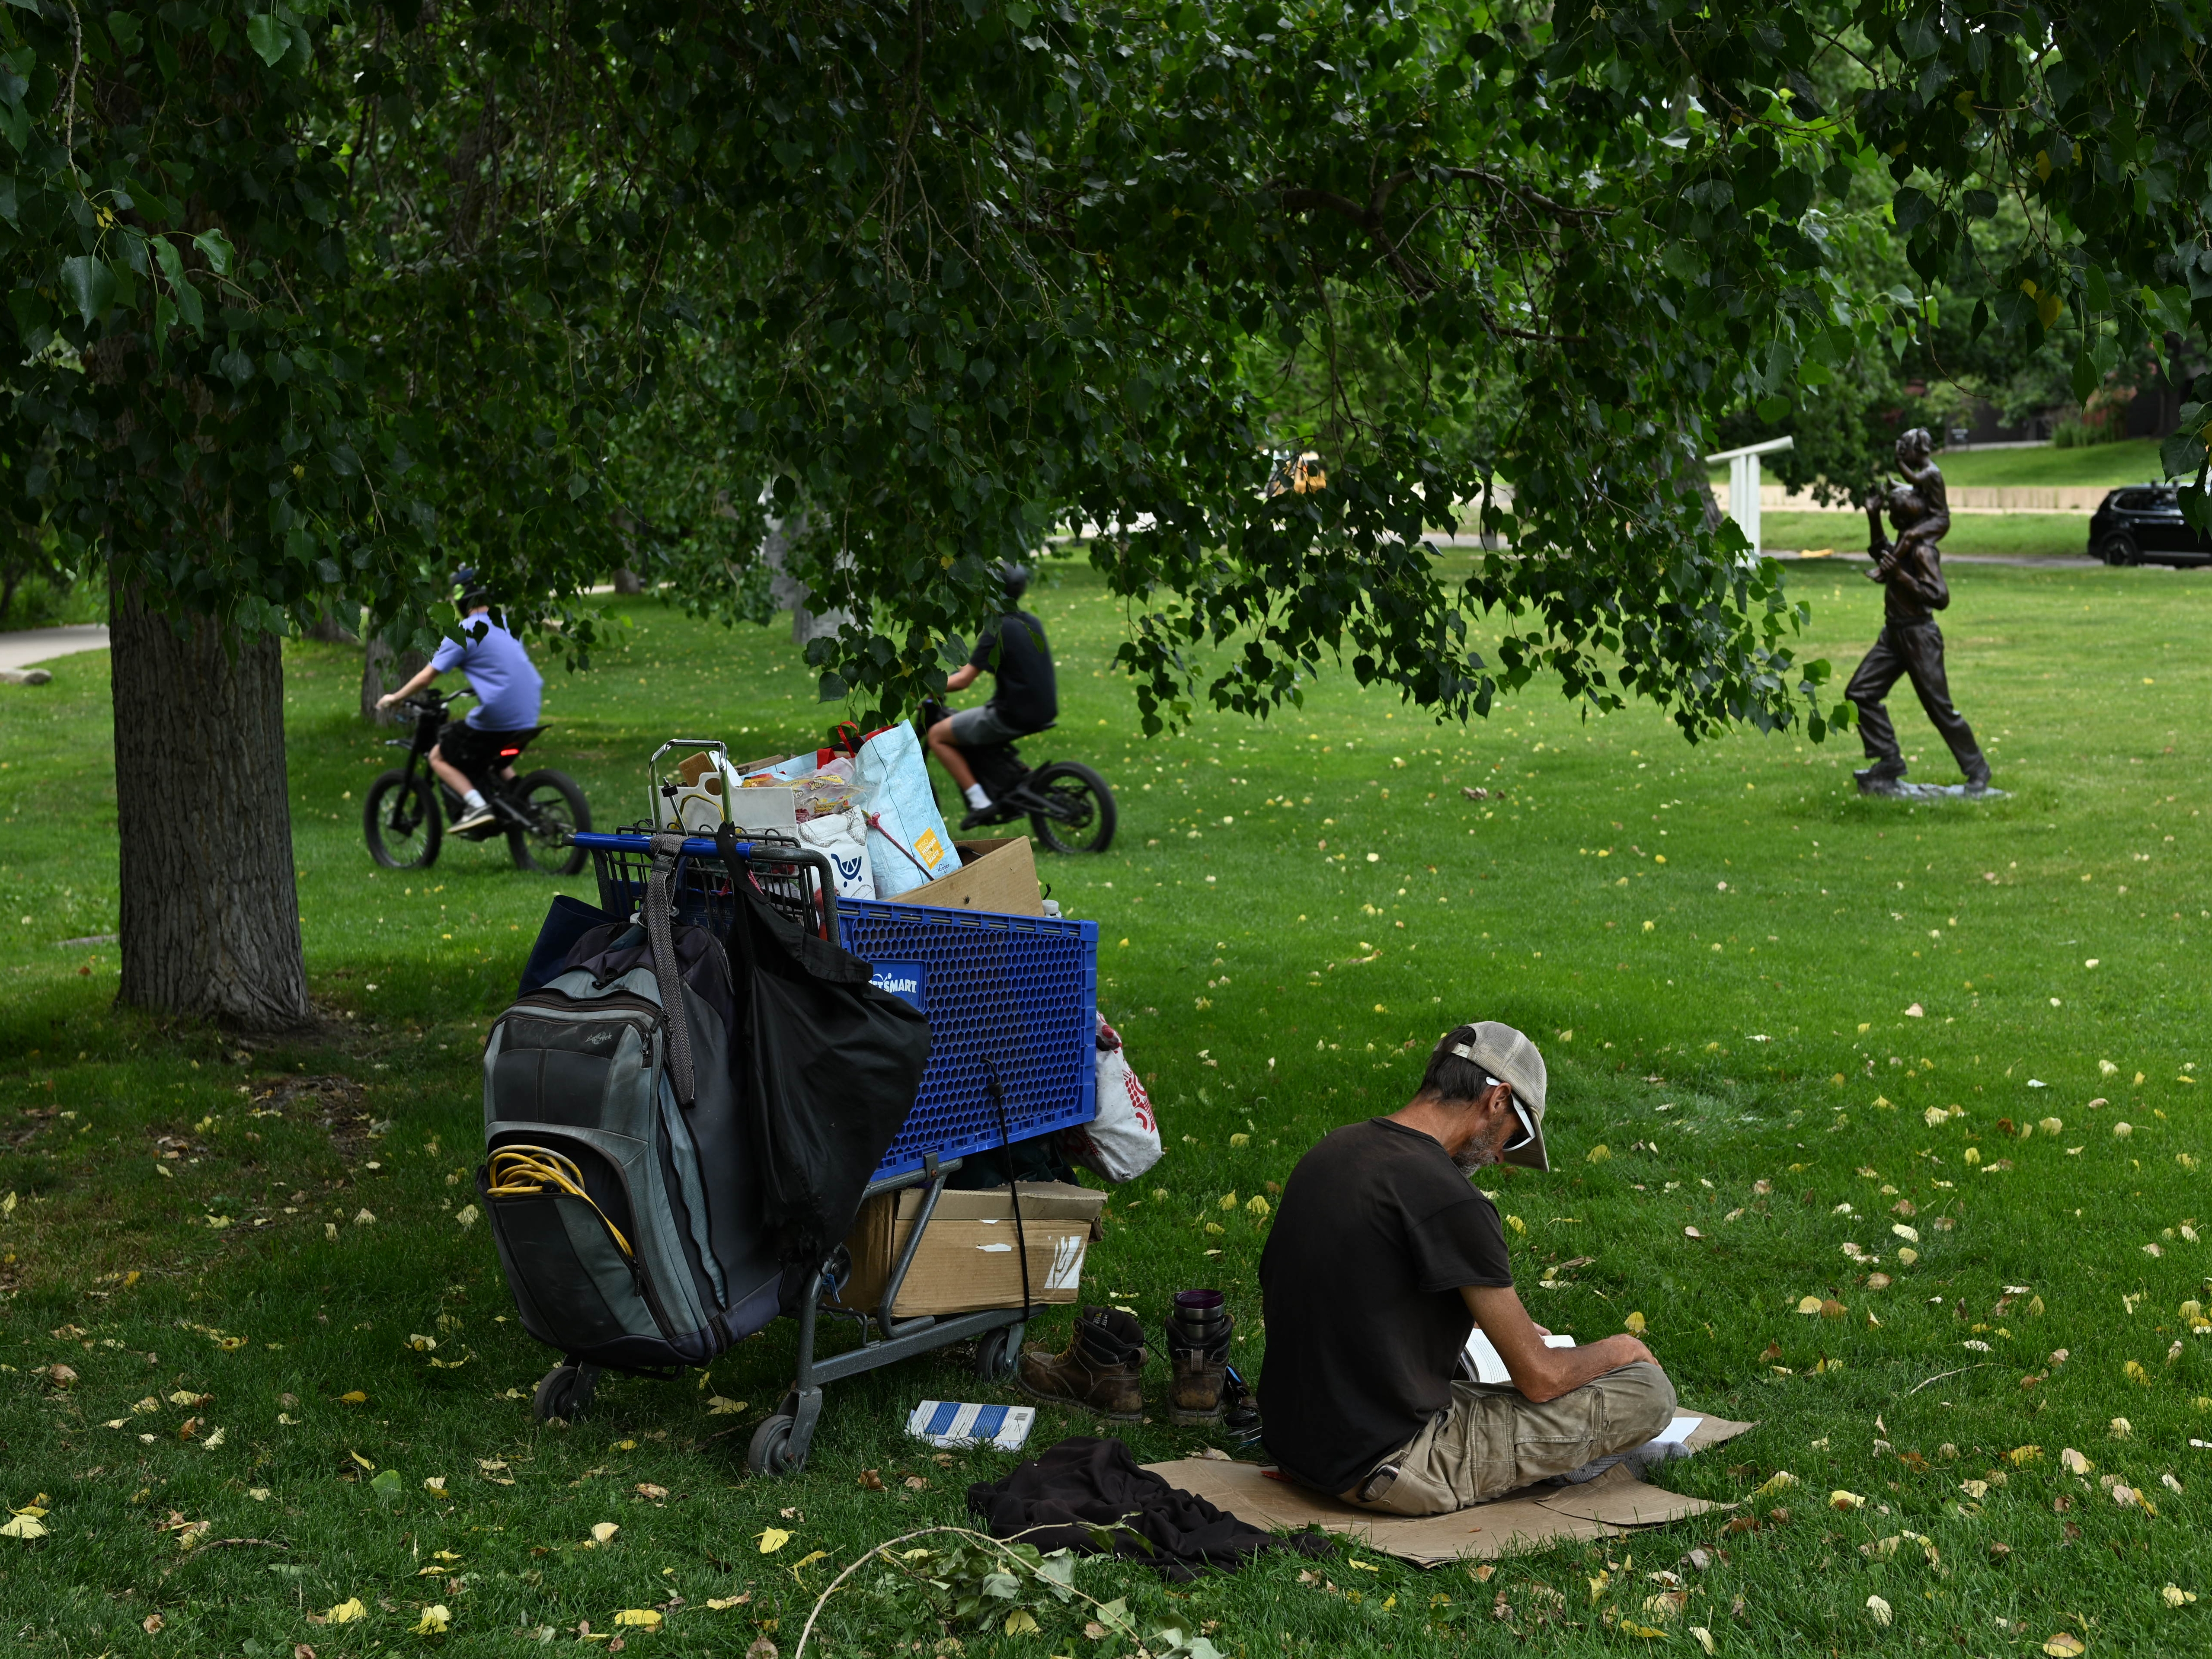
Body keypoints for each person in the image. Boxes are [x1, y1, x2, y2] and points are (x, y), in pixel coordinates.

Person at [1256, 1022, 1677, 1516]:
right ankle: (1576, 1459)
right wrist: (1619, 1349)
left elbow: (1343, 1282)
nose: (1501, 1156)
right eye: (1512, 1138)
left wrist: (1461, 1319)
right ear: (1498, 1100)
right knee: (1648, 1393)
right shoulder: (1451, 1200)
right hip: (1387, 1464)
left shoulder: (1334, 1151)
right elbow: (1540, 1378)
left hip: (1296, 1441)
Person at [1845, 427, 1990, 795]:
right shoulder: (1904, 541)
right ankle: (1888, 761)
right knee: (1861, 692)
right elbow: (1882, 553)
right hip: (1894, 634)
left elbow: (1939, 597)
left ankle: (1978, 771)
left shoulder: (1924, 550)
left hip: (1920, 636)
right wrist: (1873, 516)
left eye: (1894, 508)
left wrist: (1900, 577)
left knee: (1939, 707)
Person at [375, 574, 544, 833]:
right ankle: (526, 801)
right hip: (529, 711)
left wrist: (395, 698)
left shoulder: (465, 631)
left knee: (439, 756)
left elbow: (428, 676)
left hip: (499, 713)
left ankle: (477, 807)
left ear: (460, 602)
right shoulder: (508, 625)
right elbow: (503, 668)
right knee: (489, 754)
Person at [925, 563, 1057, 824]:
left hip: (1012, 714)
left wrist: (928, 686)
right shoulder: (1030, 622)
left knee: (938, 735)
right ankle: (1012, 780)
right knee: (969, 728)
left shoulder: (996, 627)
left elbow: (964, 681)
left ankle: (980, 802)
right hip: (1043, 708)